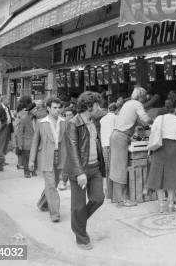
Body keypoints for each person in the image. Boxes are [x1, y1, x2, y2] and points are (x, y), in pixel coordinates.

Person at [64, 91, 106, 251]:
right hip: (79, 169)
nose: (99, 108)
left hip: (94, 167)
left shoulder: (95, 121)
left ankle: (78, 222)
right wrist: (80, 172)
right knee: (78, 206)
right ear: (89, 106)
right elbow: (72, 149)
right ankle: (81, 237)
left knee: (99, 198)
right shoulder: (73, 123)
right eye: (97, 105)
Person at [110, 87, 152, 206]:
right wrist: (155, 122)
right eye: (145, 97)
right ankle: (121, 201)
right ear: (141, 96)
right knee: (120, 168)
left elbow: (137, 121)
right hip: (121, 137)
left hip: (115, 135)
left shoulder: (128, 103)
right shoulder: (137, 103)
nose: (145, 100)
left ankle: (116, 198)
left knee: (115, 167)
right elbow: (145, 119)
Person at [29, 98, 66, 222]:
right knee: (51, 185)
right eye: (54, 108)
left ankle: (41, 203)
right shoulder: (41, 122)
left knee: (53, 184)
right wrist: (31, 160)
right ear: (48, 108)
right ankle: (55, 213)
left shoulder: (64, 122)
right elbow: (35, 141)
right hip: (45, 157)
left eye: (59, 107)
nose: (57, 110)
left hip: (59, 157)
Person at [146, 98, 176, 213]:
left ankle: (161, 205)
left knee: (159, 176)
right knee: (172, 176)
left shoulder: (159, 118)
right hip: (173, 148)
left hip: (159, 148)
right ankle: (170, 205)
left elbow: (153, 131)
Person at [15, 102, 38, 178]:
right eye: (35, 109)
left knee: (35, 157)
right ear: (30, 110)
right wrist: (20, 144)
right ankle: (27, 172)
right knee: (26, 158)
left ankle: (33, 171)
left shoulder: (37, 118)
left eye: (36, 109)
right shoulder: (24, 119)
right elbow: (20, 132)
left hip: (35, 141)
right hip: (27, 142)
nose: (36, 110)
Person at [0, 95, 13, 172]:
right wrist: (2, 124)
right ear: (3, 100)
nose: (9, 100)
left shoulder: (6, 107)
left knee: (4, 146)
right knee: (0, 146)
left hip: (7, 127)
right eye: (7, 99)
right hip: (2, 128)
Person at [99, 103, 117, 180]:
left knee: (107, 167)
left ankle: (107, 186)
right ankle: (112, 185)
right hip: (114, 145)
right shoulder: (117, 118)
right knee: (114, 167)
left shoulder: (102, 120)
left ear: (109, 109)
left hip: (104, 145)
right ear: (116, 110)